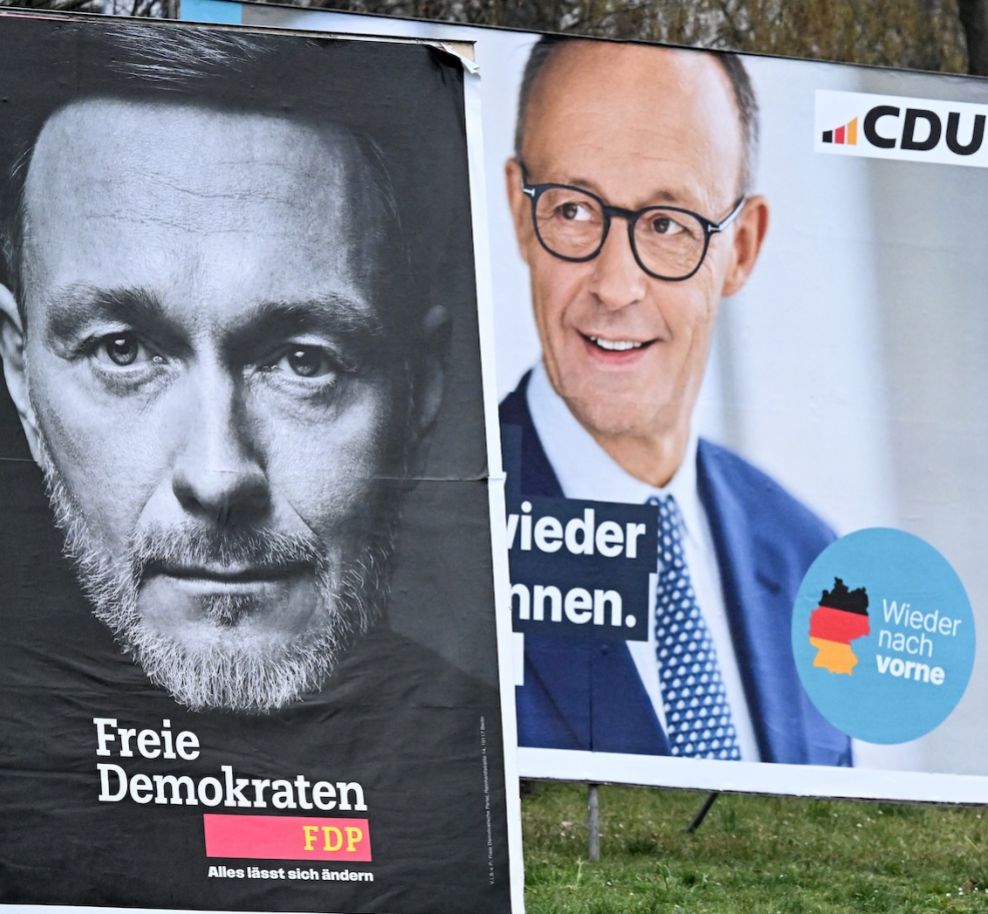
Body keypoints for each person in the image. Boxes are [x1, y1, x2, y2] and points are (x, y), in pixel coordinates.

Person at [0, 20, 510, 911]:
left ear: (422, 386)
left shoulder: (478, 771)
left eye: (304, 361)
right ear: (18, 368)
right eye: (122, 350)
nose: (219, 472)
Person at [500, 37, 852, 765]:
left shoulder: (813, 562)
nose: (615, 285)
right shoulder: (424, 539)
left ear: (742, 248)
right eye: (572, 210)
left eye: (667, 226)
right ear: (518, 211)